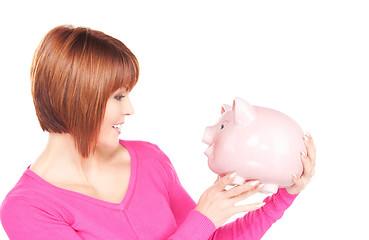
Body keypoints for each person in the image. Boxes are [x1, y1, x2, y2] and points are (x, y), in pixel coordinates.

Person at [0, 25, 316, 240]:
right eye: (118, 97)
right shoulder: (28, 209)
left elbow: (208, 237)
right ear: (78, 99)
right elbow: (197, 229)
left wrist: (284, 196)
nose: (130, 110)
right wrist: (203, 218)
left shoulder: (149, 159)